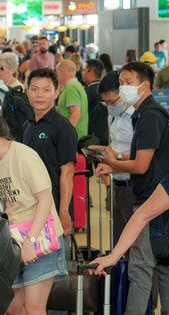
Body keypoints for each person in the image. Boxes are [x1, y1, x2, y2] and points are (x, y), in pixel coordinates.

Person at [0, 104, 67, 314]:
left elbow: (45, 200)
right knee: (12, 307)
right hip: (13, 242)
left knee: (33, 308)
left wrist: (31, 241)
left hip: (40, 238)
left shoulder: (24, 156)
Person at [92, 61, 169, 314]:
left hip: (151, 198)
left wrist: (115, 163)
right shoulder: (142, 115)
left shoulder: (150, 116)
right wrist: (115, 162)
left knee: (140, 270)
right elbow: (144, 158)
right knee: (160, 267)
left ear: (145, 85)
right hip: (152, 200)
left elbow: (143, 165)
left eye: (128, 83)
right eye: (121, 83)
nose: (123, 88)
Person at [22, 68, 77, 240]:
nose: (39, 95)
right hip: (30, 208)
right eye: (34, 89)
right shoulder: (27, 125)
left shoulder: (62, 127)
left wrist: (64, 211)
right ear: (27, 91)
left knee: (57, 263)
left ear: (56, 92)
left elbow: (67, 172)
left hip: (55, 207)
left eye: (46, 90)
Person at [96, 70, 136, 246]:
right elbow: (116, 147)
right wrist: (104, 150)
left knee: (136, 244)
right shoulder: (112, 116)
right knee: (118, 242)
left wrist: (117, 158)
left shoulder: (139, 118)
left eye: (112, 101)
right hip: (116, 184)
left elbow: (144, 156)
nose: (110, 106)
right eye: (105, 103)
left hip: (134, 186)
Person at [56, 59, 89, 139]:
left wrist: (65, 135)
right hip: (76, 134)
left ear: (61, 71)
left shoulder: (71, 87)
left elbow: (76, 114)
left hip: (73, 136)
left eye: (57, 72)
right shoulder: (76, 85)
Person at [83, 59, 109, 145]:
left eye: (84, 70)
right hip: (106, 134)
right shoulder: (107, 88)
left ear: (90, 72)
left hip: (91, 136)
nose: (82, 73)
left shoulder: (88, 91)